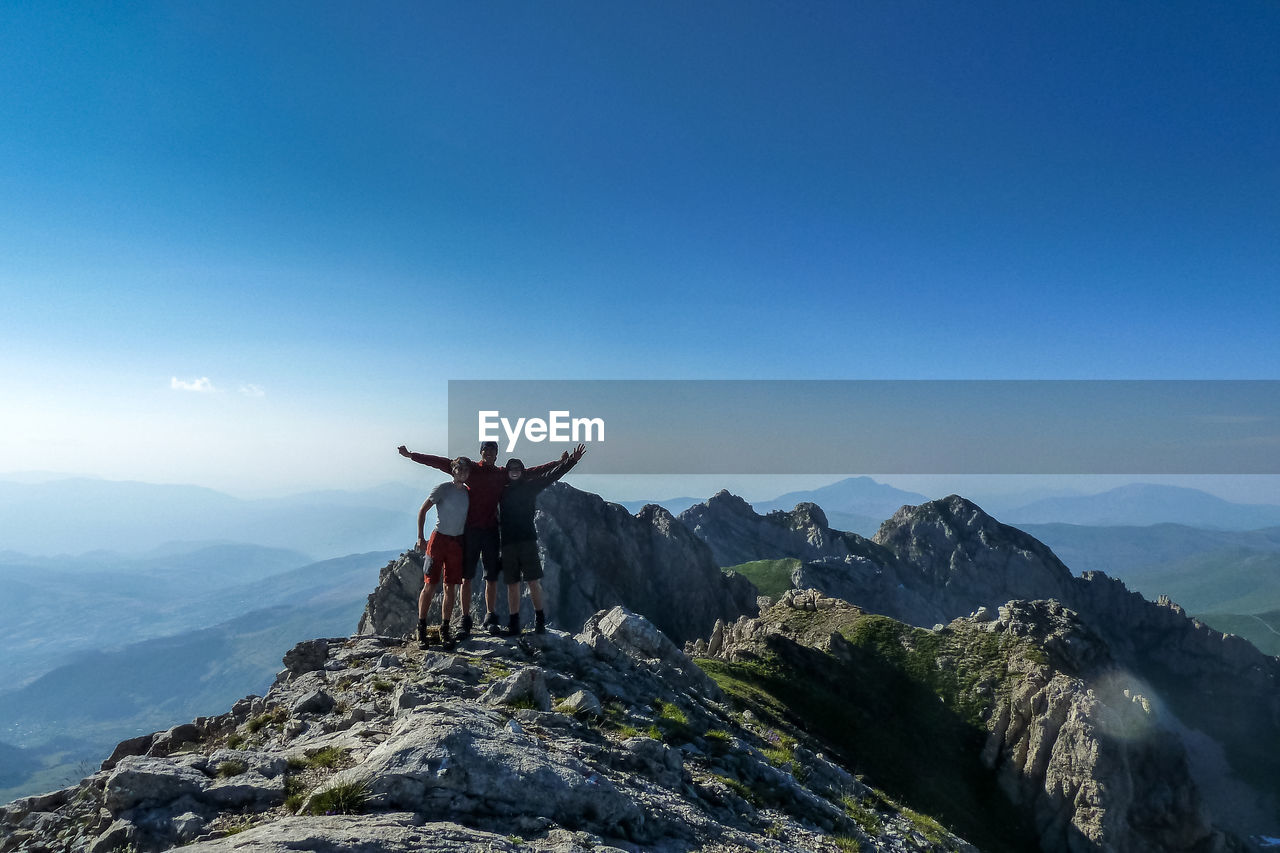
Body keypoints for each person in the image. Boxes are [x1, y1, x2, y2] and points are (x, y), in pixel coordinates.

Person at [398, 440, 562, 636]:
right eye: (487, 450)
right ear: (481, 452)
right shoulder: (471, 469)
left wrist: (559, 463)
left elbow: (533, 472)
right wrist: (412, 455)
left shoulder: (502, 473)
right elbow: (442, 463)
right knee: (467, 577)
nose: (490, 454)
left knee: (491, 577)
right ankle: (465, 619)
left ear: (497, 454)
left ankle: (490, 617)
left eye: (493, 451)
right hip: (470, 532)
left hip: (491, 531)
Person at [499, 443, 586, 635]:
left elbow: (551, 476)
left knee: (533, 582)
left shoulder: (530, 487)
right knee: (512, 584)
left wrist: (571, 461)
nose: (514, 472)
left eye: (517, 469)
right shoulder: (501, 490)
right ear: (507, 472)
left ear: (522, 471)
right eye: (511, 469)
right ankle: (514, 624)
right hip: (507, 543)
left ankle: (540, 620)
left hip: (527, 540)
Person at [414, 456, 471, 648]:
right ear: (453, 470)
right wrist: (421, 537)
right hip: (438, 540)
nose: (462, 473)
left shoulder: (469, 493)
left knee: (450, 587)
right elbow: (423, 510)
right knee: (430, 584)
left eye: (466, 470)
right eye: (459, 469)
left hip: (457, 542)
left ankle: (445, 629)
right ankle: (421, 629)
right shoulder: (442, 489)